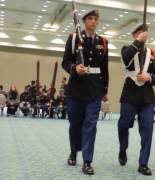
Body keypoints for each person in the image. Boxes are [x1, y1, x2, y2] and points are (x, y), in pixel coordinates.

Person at [61, 10, 109, 175]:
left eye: (96, 19)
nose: (94, 21)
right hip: (76, 89)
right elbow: (65, 62)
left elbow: (105, 68)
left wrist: (105, 89)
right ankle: (74, 151)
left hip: (94, 90)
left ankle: (87, 161)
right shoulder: (74, 38)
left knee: (91, 124)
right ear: (84, 21)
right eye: (90, 19)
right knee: (75, 123)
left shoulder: (103, 41)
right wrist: (74, 68)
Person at [117, 23, 155, 176]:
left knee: (148, 129)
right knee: (123, 125)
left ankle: (143, 163)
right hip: (129, 95)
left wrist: (150, 77)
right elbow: (126, 58)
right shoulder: (127, 49)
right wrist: (138, 42)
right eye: (139, 33)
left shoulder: (153, 54)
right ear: (134, 35)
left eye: (144, 32)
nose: (142, 35)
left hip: (147, 97)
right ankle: (123, 148)